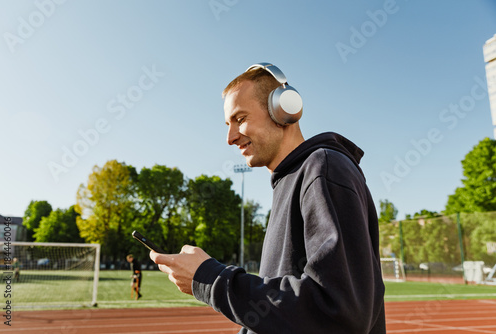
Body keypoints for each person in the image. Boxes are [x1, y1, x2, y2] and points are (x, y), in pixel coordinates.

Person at [150, 63, 386, 333]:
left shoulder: (324, 170)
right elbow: (281, 315)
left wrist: (209, 278)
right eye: (228, 124)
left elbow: (339, 313)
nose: (230, 137)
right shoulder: (291, 181)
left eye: (240, 118)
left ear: (283, 110)